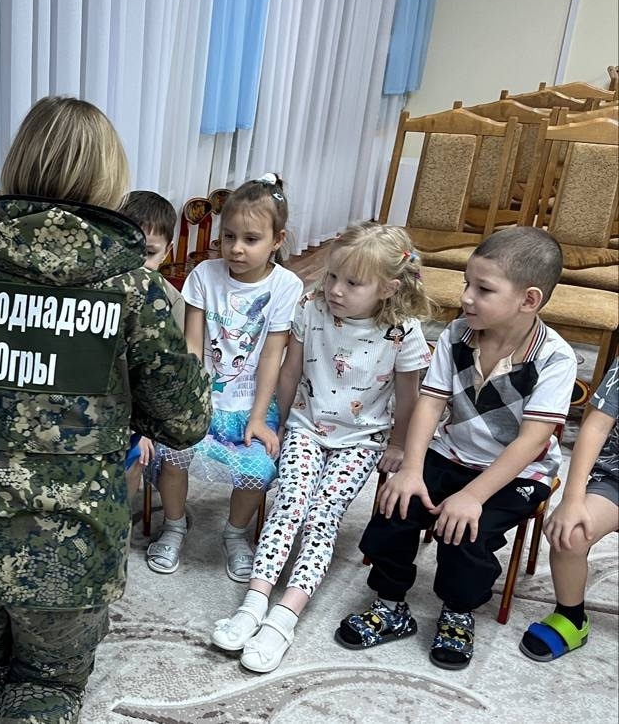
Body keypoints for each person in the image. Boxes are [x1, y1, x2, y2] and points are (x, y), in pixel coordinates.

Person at [0, 95, 211, 724]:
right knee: (47, 687)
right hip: (68, 555)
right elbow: (185, 420)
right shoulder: (133, 290)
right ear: (108, 179)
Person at [337, 226, 574, 670]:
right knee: (396, 504)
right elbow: (430, 402)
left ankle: (458, 612)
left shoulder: (555, 358)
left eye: (483, 289)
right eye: (467, 283)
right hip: (451, 452)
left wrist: (473, 496)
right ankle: (390, 604)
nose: (466, 297)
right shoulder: (457, 333)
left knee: (468, 530)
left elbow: (532, 441)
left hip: (518, 472)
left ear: (529, 300)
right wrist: (411, 468)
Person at [209, 223, 432, 672]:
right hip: (306, 427)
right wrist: (274, 423)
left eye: (353, 283)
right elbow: (291, 370)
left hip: (362, 439)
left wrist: (397, 444)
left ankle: (285, 616)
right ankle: (254, 602)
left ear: (388, 289)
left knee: (321, 515)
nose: (336, 290)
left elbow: (410, 396)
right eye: (332, 276)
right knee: (289, 503)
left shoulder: (404, 330)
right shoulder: (311, 307)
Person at [145, 174, 304, 579]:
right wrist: (187, 404)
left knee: (257, 467)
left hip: (252, 403)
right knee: (173, 452)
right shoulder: (204, 274)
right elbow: (192, 345)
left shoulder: (286, 286)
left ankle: (235, 534)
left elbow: (273, 356)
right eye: (228, 236)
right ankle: (174, 525)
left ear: (277, 240)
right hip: (202, 398)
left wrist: (259, 417)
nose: (236, 248)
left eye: (251, 239)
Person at [520, 357, 619, 661]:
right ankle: (571, 617)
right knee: (570, 533)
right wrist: (572, 499)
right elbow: (597, 426)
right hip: (615, 481)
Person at [116, 189, 185, 495]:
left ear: (167, 251)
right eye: (126, 248)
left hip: (139, 414)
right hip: (102, 407)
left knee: (135, 459)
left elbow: (167, 378)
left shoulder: (171, 301)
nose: (136, 263)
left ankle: (123, 520)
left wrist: (145, 431)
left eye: (147, 253)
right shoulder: (102, 290)